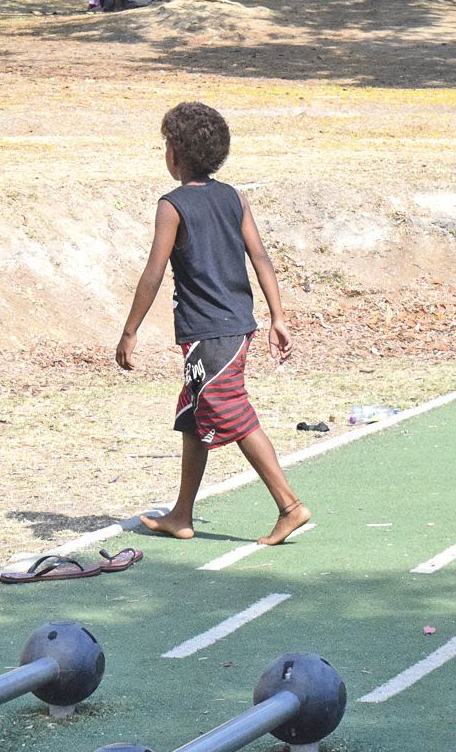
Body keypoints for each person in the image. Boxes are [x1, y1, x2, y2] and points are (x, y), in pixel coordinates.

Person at [115, 102, 312, 547]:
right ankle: (181, 514)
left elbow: (153, 273)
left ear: (176, 154)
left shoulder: (172, 206)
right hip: (231, 325)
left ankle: (289, 505)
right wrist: (277, 316)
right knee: (194, 414)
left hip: (211, 331)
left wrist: (130, 332)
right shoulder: (233, 197)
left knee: (231, 411)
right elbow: (259, 256)